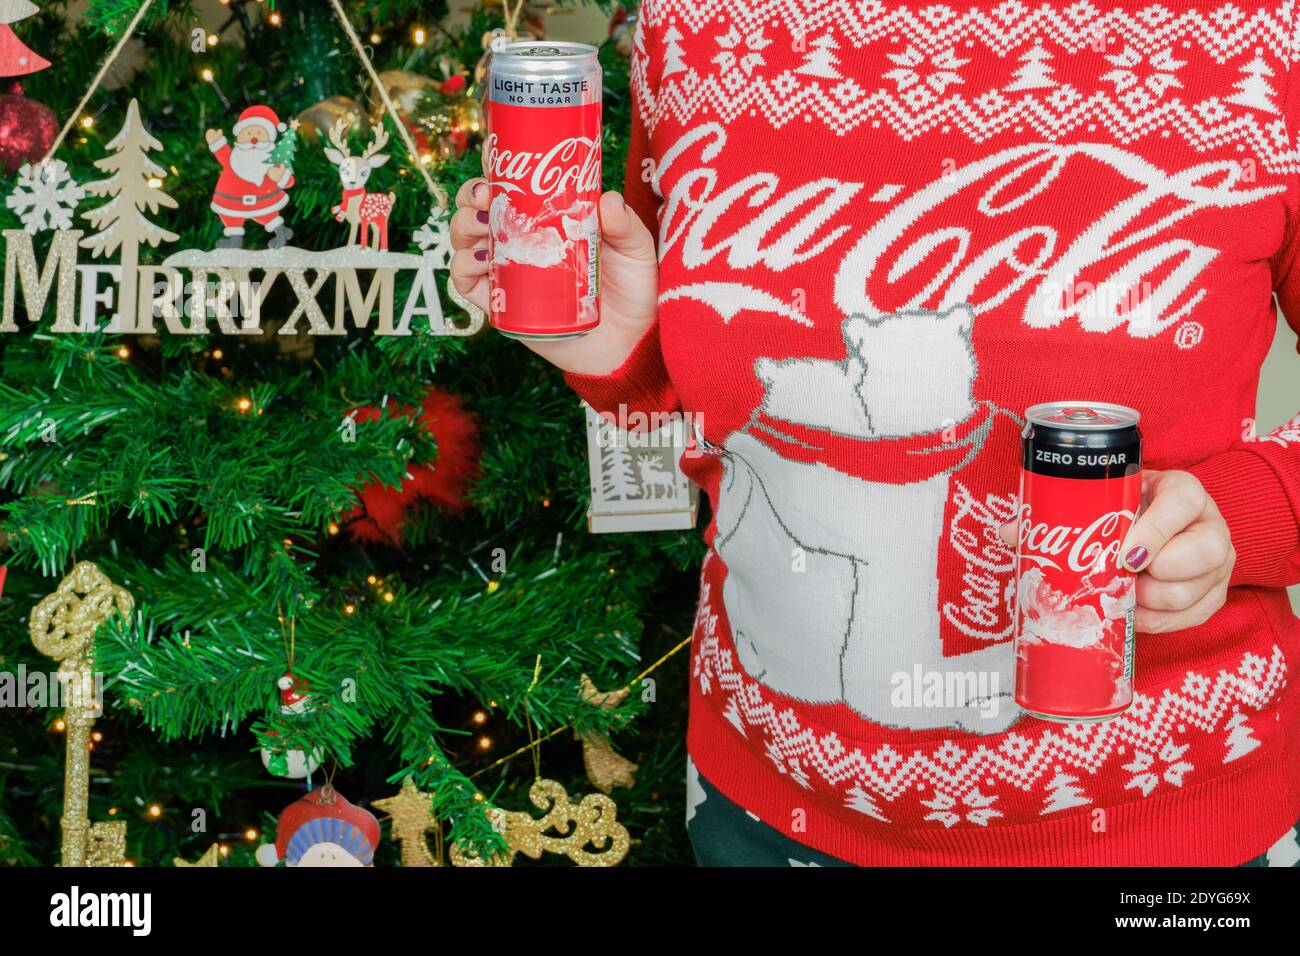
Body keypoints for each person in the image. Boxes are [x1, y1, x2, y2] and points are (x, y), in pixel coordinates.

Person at [451, 1, 1300, 866]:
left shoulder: (1270, 30)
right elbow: (716, 405)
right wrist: (619, 352)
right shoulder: (694, 22)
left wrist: (1247, 514)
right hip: (766, 808)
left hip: (1166, 833)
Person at [205, 104, 296, 249]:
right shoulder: (235, 157)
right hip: (232, 198)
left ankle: (281, 232)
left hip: (263, 198)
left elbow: (289, 181)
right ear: (239, 135)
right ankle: (235, 241)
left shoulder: (272, 160)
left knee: (268, 214)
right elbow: (224, 156)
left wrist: (280, 177)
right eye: (248, 134)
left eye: (259, 133)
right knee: (230, 216)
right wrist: (216, 143)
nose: (253, 139)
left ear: (270, 137)